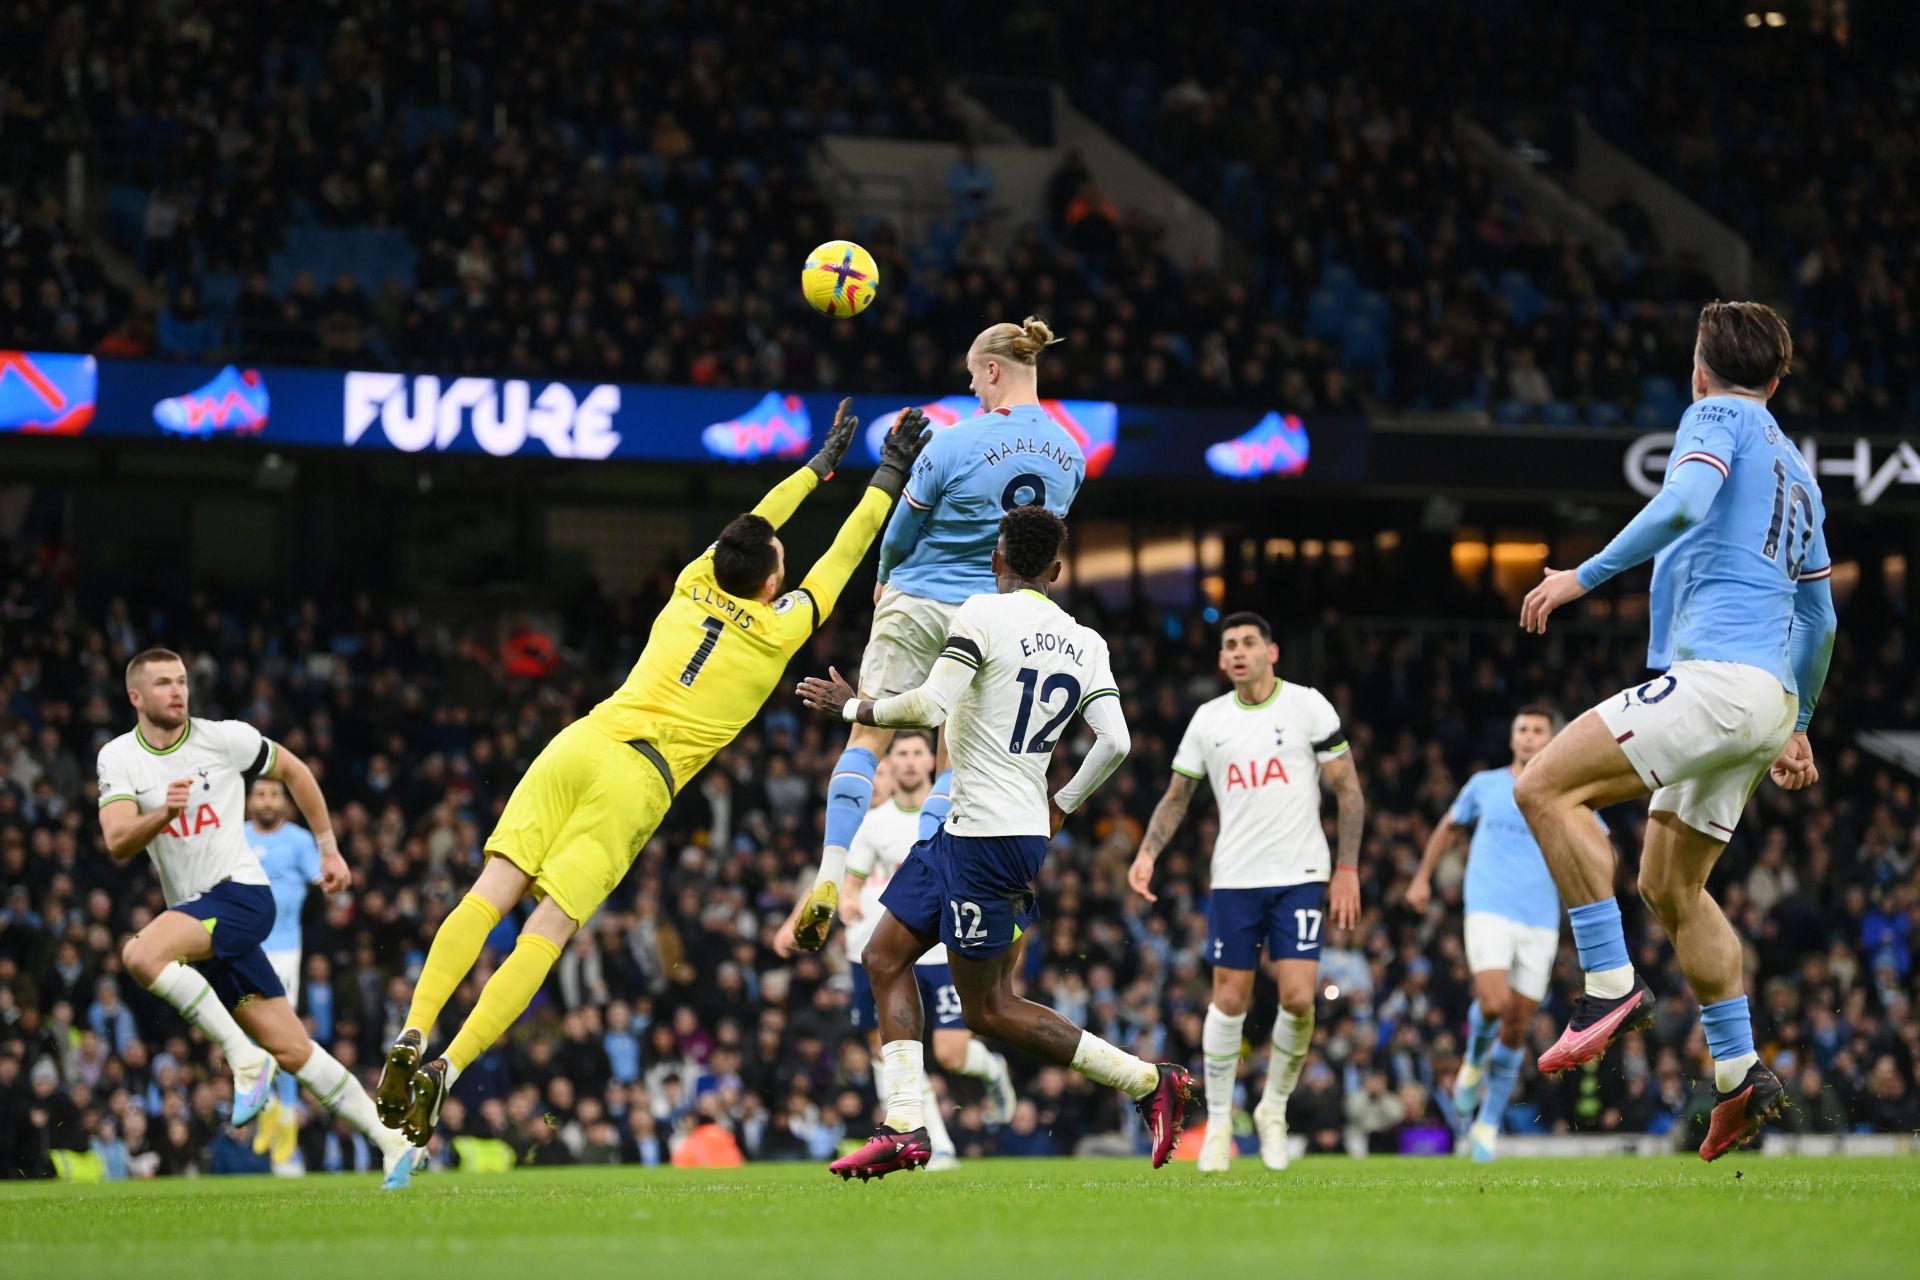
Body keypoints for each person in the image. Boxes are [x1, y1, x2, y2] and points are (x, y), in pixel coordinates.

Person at [379, 401, 930, 1147]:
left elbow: (754, 520)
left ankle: (413, 1030)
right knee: (544, 928)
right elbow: (845, 551)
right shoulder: (778, 628)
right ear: (772, 581)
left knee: (490, 893)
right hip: (637, 780)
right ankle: (447, 1065)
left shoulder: (693, 579)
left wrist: (816, 465)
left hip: (583, 739)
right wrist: (889, 474)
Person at [1514, 301, 1836, 1162]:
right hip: (1761, 695)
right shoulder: (1800, 475)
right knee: (1669, 885)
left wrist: (1581, 576)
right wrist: (1796, 722)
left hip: (1716, 683)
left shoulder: (1717, 415)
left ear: (1701, 370)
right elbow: (1821, 619)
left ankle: (1609, 985)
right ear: (1779, 376)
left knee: (1543, 785)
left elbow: (1685, 503)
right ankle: (1740, 1077)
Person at [796, 505, 1191, 1179]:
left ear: (996, 559)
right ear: (1058, 571)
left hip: (988, 841)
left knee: (988, 1009)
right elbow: (1117, 742)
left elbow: (926, 707)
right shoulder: (1085, 641)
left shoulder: (980, 613)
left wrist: (854, 709)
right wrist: (1063, 804)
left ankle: (1151, 1083)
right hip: (980, 829)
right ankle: (903, 1126)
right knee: (883, 955)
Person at [792, 317, 1085, 955]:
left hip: (918, 596)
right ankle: (918, 876)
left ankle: (829, 873)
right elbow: (1036, 547)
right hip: (988, 615)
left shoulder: (953, 443)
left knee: (868, 733)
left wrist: (884, 579)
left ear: (991, 370)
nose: (974, 391)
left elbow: (900, 530)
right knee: (954, 754)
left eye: (973, 379)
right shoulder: (1073, 455)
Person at [95, 648, 417, 1189]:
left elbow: (295, 770)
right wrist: (163, 815)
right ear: (136, 697)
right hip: (197, 916)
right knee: (293, 1048)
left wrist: (329, 850)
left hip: (240, 896)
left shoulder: (224, 738)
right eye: (163, 684)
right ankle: (393, 1143)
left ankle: (244, 1060)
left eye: (181, 681)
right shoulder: (119, 757)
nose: (177, 691)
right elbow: (116, 841)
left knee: (139, 953)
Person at [1127, 611, 1366, 1174]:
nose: (1238, 652)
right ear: (1221, 660)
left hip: (1301, 874)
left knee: (1299, 998)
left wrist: (1348, 868)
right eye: (1229, 645)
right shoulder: (1209, 720)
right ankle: (1218, 1125)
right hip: (1235, 877)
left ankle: (1274, 1111)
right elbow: (1177, 797)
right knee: (1229, 1000)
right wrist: (1147, 853)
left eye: (1248, 643)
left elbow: (1349, 792)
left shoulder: (1308, 706)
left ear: (1271, 651)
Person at [1408, 705, 1594, 1160]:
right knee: (1493, 1002)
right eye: (1522, 730)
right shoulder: (1485, 785)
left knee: (1517, 1024)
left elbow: (1598, 845)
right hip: (1488, 907)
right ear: (1513, 738)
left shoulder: (1565, 794)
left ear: (1553, 740)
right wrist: (1422, 876)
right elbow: (1448, 827)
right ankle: (1473, 1062)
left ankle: (1488, 1123)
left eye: (1538, 731)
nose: (1529, 737)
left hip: (1540, 919)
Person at [839, 731, 1021, 1170]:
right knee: (896, 1054)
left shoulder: (953, 811)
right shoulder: (874, 822)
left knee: (951, 1054)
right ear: (891, 761)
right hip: (898, 954)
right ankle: (937, 1145)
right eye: (899, 753)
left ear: (929, 762)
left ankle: (992, 1070)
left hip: (944, 952)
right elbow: (853, 883)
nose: (908, 761)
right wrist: (846, 902)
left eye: (918, 752)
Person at [244, 775, 323, 1171]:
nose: (268, 800)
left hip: (283, 951)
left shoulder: (299, 840)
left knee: (280, 1032)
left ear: (285, 803)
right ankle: (272, 1103)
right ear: (248, 802)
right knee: (245, 1028)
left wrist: (332, 879)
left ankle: (287, 1110)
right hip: (242, 946)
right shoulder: (234, 836)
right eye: (260, 794)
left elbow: (321, 878)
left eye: (275, 794)